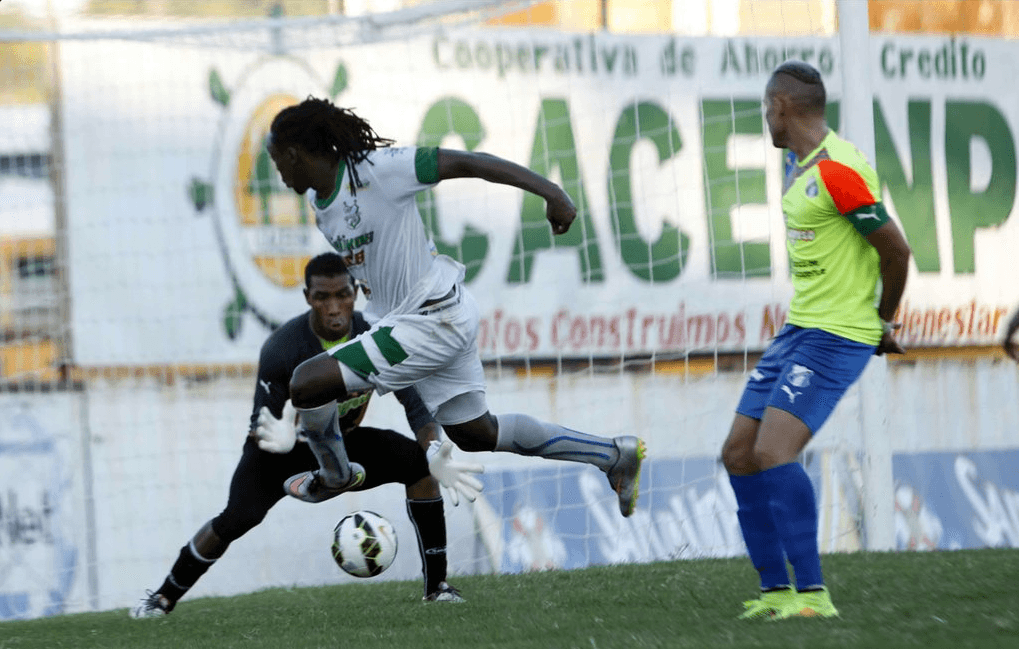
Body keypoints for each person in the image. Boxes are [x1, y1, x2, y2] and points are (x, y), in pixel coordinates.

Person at [264, 97, 645, 518]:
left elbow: (472, 162)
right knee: (477, 432)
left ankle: (335, 475)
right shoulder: (321, 206)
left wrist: (551, 192)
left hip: (429, 322)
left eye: (277, 161)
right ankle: (612, 455)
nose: (279, 173)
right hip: (432, 317)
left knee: (305, 383)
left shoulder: (378, 170)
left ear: (294, 154)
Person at [131, 253, 474, 618]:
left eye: (342, 295)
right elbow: (261, 423)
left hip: (343, 444)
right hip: (282, 451)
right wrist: (287, 433)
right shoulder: (282, 347)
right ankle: (162, 599)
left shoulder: (377, 334)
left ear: (356, 292)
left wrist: (434, 447)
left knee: (420, 468)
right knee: (237, 517)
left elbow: (417, 407)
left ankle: (437, 587)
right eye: (322, 297)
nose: (334, 307)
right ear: (307, 297)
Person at [720, 61, 912, 620]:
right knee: (737, 453)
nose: (765, 119)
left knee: (774, 450)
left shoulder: (838, 172)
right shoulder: (793, 160)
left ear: (781, 107)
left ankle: (813, 597)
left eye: (766, 109)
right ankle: (775, 593)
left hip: (839, 334)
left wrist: (882, 322)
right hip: (799, 327)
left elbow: (896, 251)